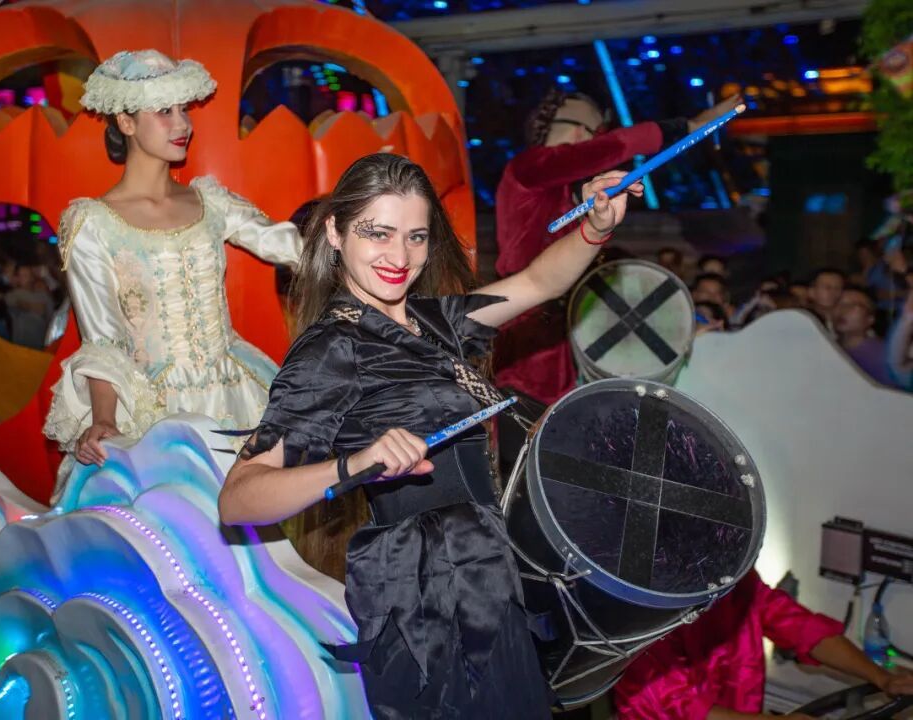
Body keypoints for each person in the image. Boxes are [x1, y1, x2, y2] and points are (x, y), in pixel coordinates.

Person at [218, 152, 644, 717]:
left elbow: (540, 281)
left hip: (490, 569)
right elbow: (238, 497)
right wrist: (353, 464)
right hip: (425, 598)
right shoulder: (329, 351)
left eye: (415, 237)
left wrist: (595, 226)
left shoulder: (437, 320)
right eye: (378, 233)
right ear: (336, 233)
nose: (400, 257)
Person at [43, 50, 303, 499]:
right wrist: (103, 418)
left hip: (238, 396)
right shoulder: (93, 223)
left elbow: (290, 246)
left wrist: (368, 246)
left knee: (258, 521)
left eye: (184, 109)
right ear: (126, 122)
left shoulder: (210, 202)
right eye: (164, 111)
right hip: (154, 413)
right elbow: (103, 340)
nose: (182, 124)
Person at [493, 89, 741, 407]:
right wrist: (689, 126)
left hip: (559, 340)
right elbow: (613, 147)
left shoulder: (564, 192)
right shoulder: (528, 167)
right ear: (582, 135)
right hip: (525, 339)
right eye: (597, 137)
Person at [614, 569, 913, 720]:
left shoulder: (734, 582)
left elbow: (801, 628)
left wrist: (881, 677)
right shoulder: (639, 611)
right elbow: (676, 706)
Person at [834, 287, 900, 388]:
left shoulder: (882, 355)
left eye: (853, 306)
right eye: (838, 304)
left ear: (870, 319)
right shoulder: (827, 345)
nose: (843, 310)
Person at [807, 268, 845, 333]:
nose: (833, 292)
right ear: (811, 291)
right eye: (827, 287)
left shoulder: (846, 321)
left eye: (837, 288)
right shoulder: (804, 319)